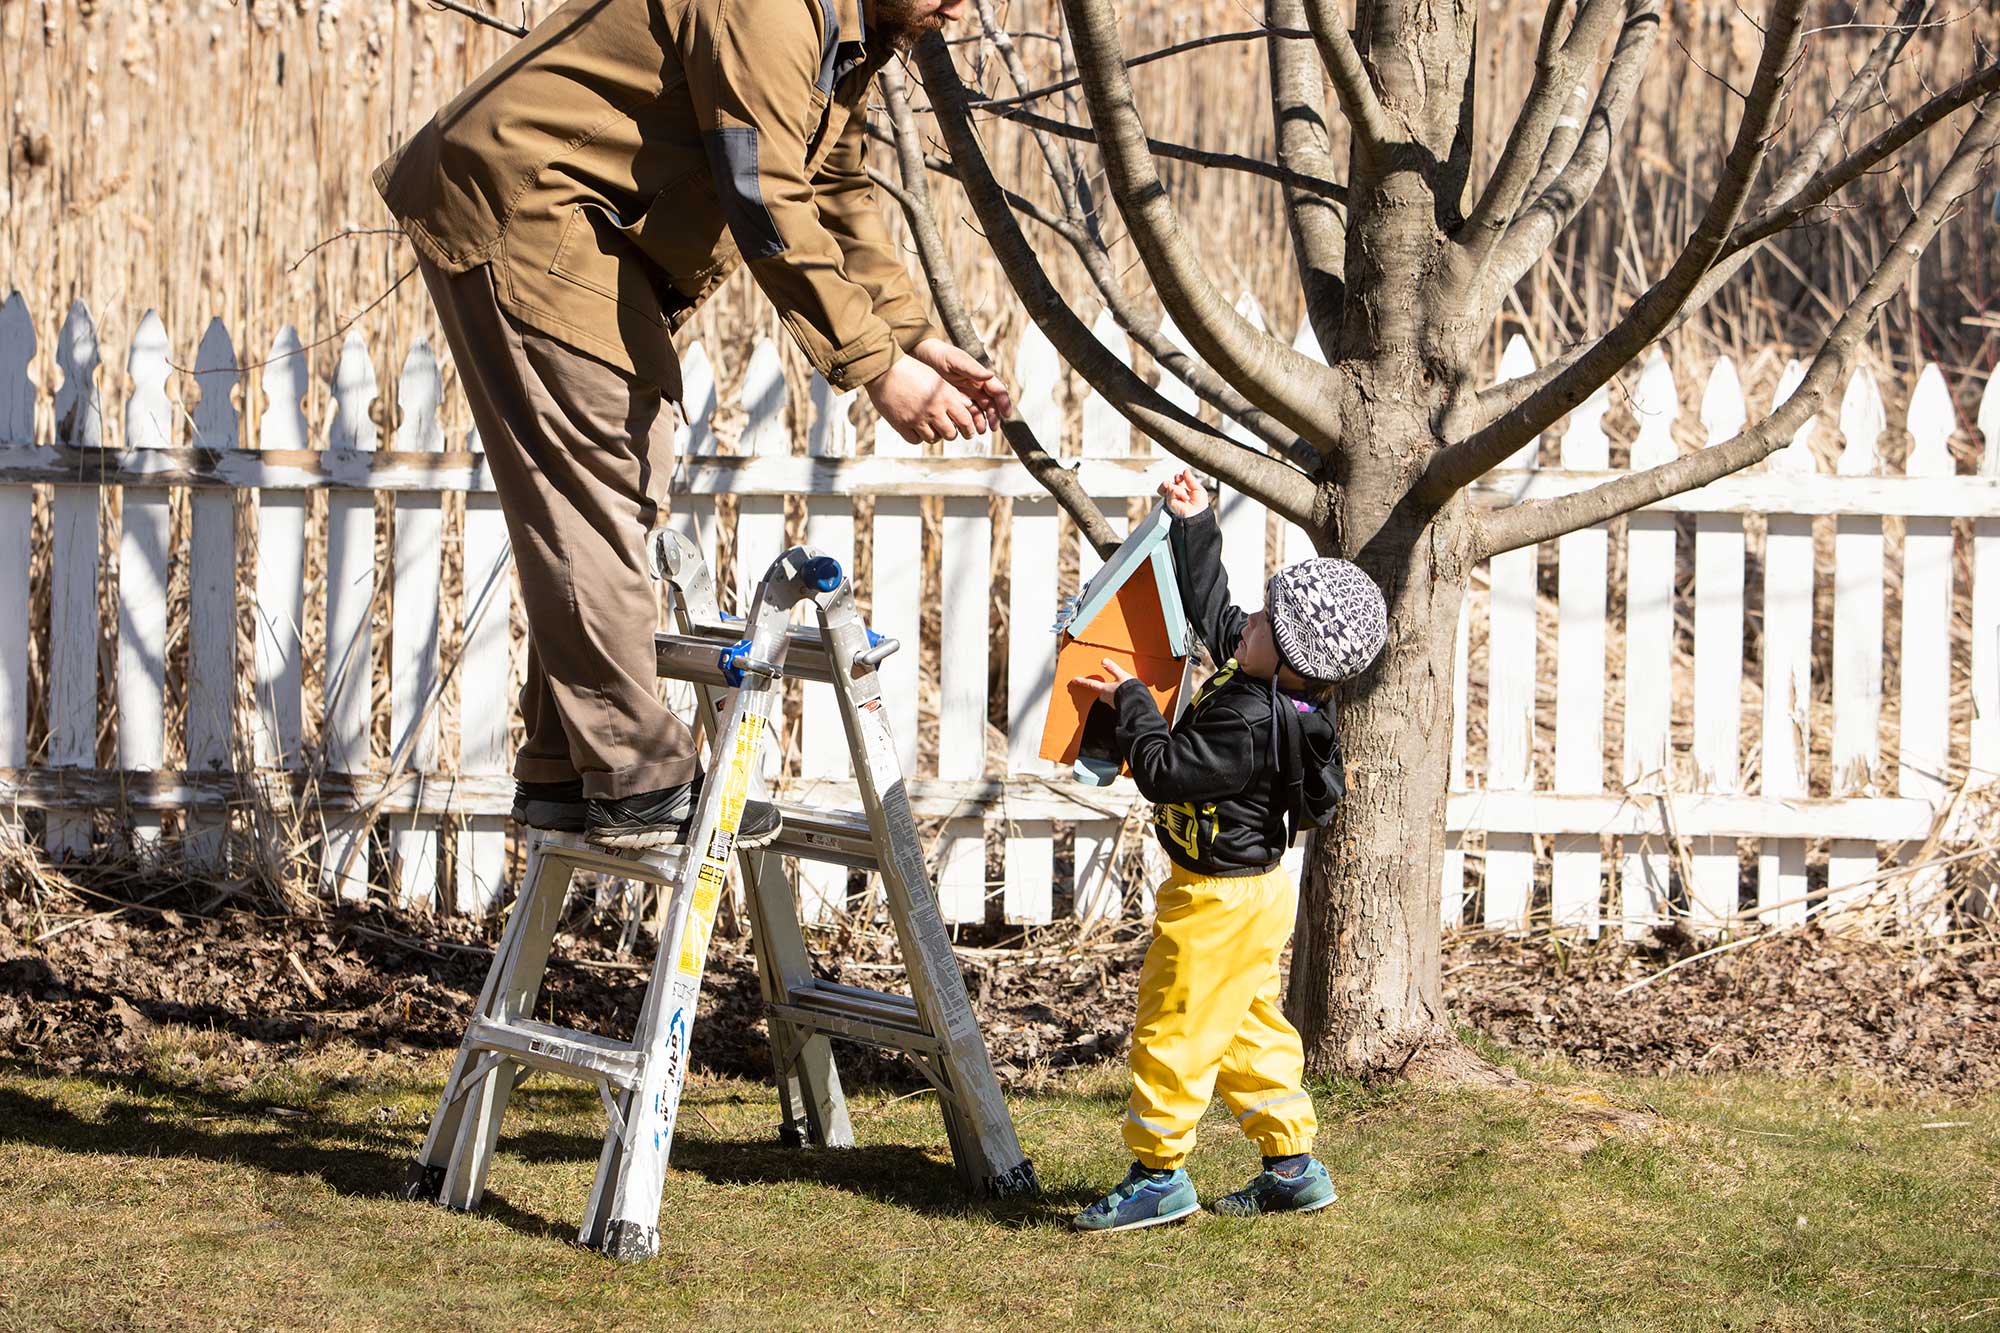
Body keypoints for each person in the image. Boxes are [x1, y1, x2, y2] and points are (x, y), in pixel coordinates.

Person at [374, 0, 1008, 849]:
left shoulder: (847, 32)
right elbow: (764, 190)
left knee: (624, 466)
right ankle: (637, 775)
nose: (961, 7)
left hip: (584, 221)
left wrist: (912, 336)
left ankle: (568, 766)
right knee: (600, 472)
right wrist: (877, 370)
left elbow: (835, 187)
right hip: (531, 203)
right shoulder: (776, 9)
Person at [1069, 469, 1387, 1232]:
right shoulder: (1270, 681)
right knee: (1248, 1024)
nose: (1244, 620)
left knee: (1174, 1024)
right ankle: (1292, 1165)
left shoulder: (1248, 722)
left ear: (1292, 659)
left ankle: (1158, 1173)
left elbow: (1165, 773)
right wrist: (1195, 521)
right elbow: (1216, 606)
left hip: (1213, 902)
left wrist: (1137, 702)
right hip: (1254, 894)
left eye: (1262, 622)